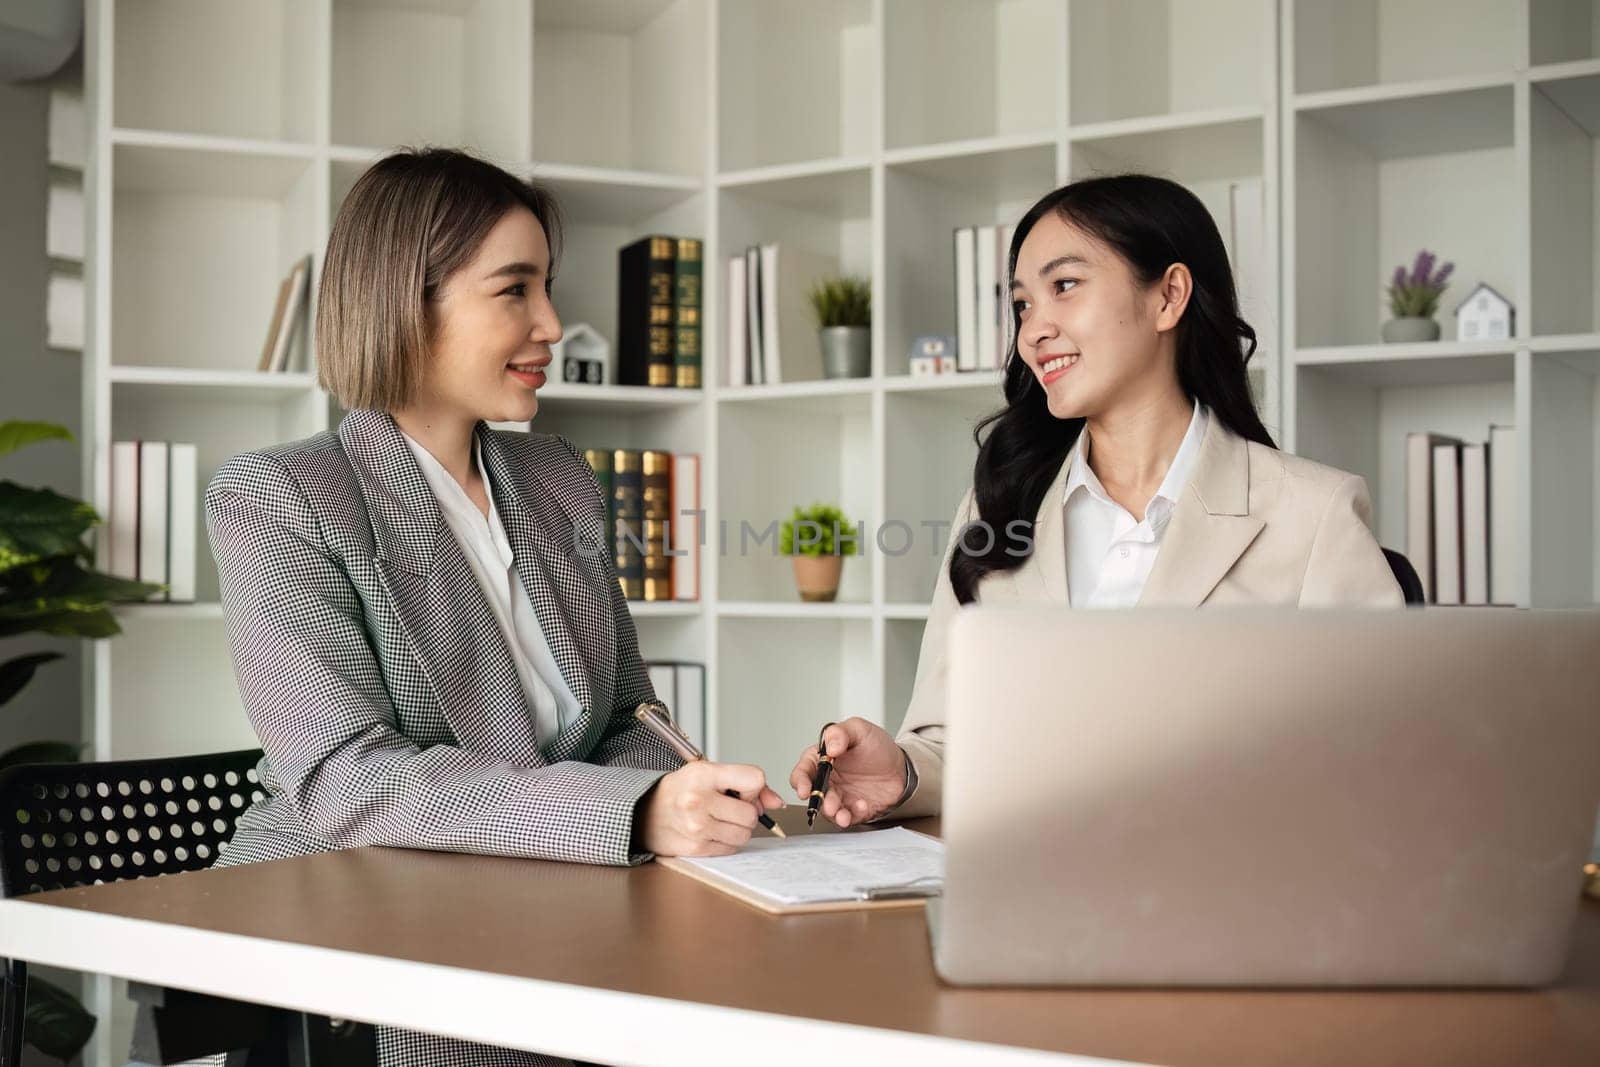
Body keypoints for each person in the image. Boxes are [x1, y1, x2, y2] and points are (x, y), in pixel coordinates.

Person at [204, 148, 780, 1067]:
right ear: (407, 302)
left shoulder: (552, 476)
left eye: (547, 287)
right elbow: (351, 780)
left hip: (548, 906)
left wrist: (684, 796)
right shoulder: (282, 496)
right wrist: (629, 814)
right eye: (514, 290)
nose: (552, 322)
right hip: (355, 948)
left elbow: (630, 709)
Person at [789, 174, 1402, 826]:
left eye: (1065, 286)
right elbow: (951, 741)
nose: (1033, 331)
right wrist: (904, 770)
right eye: (1022, 304)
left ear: (1168, 296)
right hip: (1024, 889)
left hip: (1230, 901)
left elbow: (1389, 761)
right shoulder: (995, 509)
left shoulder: (1312, 515)